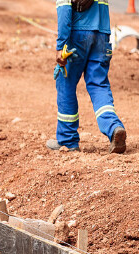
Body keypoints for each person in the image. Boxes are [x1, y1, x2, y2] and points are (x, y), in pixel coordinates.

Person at [47, 0, 126, 153]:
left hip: (77, 35)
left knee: (66, 83)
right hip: (102, 35)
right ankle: (114, 127)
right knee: (99, 85)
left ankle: (67, 140)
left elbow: (64, 10)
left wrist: (61, 46)